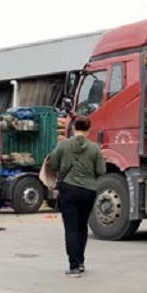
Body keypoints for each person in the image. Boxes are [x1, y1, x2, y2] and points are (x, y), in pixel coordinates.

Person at [48, 116, 105, 278]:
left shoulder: (63, 145)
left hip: (68, 189)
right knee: (82, 226)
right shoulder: (95, 148)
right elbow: (101, 171)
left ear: (73, 128)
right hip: (88, 191)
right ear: (89, 129)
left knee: (71, 228)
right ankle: (80, 262)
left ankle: (73, 266)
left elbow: (53, 164)